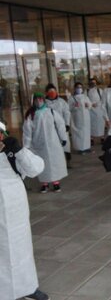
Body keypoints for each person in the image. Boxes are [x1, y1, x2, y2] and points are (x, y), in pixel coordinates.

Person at [0, 122, 50, 300]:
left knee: (21, 248)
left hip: (16, 211)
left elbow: (36, 168)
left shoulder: (13, 154)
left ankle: (27, 287)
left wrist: (19, 151)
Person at [23, 92, 68, 193]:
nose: (39, 101)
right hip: (38, 144)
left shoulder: (51, 112)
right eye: (36, 99)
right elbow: (27, 131)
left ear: (43, 100)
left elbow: (60, 125)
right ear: (33, 101)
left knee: (54, 163)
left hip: (53, 143)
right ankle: (44, 184)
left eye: (40, 99)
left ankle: (56, 183)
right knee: (42, 164)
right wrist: (27, 145)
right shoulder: (31, 115)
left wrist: (63, 138)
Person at [45, 83, 72, 168]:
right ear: (46, 93)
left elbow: (67, 113)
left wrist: (67, 124)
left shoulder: (61, 102)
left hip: (62, 127)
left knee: (66, 144)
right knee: (53, 146)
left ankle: (68, 161)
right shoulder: (44, 103)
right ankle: (56, 163)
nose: (52, 93)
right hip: (50, 128)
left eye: (53, 91)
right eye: (50, 91)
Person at [68, 82, 92, 154]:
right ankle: (80, 148)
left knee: (86, 133)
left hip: (86, 118)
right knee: (79, 133)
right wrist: (75, 106)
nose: (79, 89)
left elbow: (90, 105)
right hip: (77, 118)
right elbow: (69, 108)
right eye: (78, 87)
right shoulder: (72, 98)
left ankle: (87, 147)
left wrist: (88, 105)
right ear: (75, 88)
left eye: (80, 87)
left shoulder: (85, 97)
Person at [87, 77, 106, 145]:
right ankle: (91, 139)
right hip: (90, 110)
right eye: (92, 83)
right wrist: (91, 104)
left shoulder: (99, 90)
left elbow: (103, 99)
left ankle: (102, 138)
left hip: (99, 109)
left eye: (94, 83)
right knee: (91, 125)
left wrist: (97, 104)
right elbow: (85, 99)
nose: (93, 84)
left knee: (101, 124)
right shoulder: (86, 91)